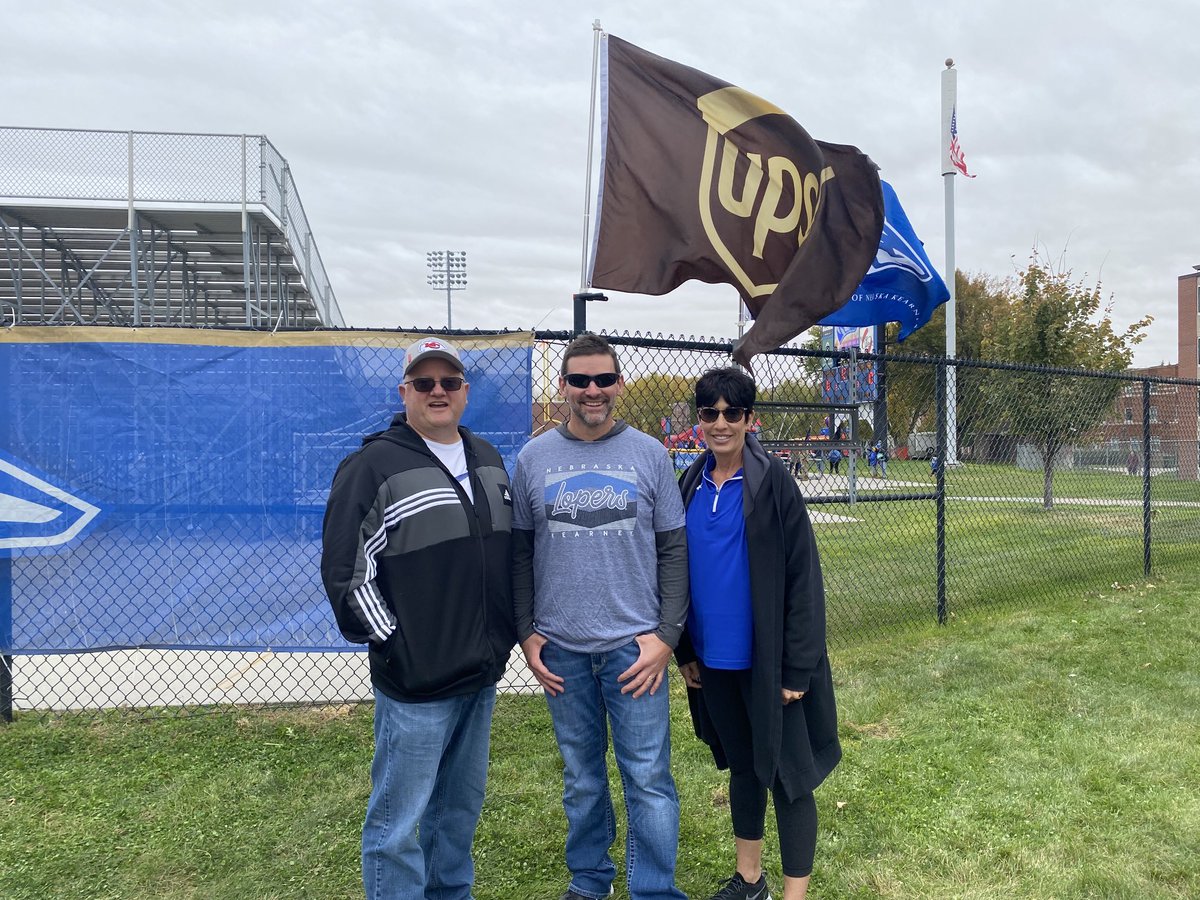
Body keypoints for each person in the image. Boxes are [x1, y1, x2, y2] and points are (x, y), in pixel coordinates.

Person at [321, 336, 516, 900]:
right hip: (415, 686)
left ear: (465, 392)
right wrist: (396, 647)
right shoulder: (371, 466)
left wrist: (500, 638)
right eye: (424, 383)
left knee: (457, 814)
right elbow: (346, 573)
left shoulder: (488, 459)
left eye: (449, 382)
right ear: (403, 390)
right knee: (397, 826)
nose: (438, 392)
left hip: (480, 676)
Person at [512, 333, 689, 900]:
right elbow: (518, 552)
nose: (593, 391)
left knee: (648, 780)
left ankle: (653, 890)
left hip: (634, 652)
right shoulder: (533, 457)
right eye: (580, 380)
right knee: (582, 781)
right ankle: (589, 884)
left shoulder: (650, 455)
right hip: (562, 650)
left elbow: (674, 551)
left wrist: (666, 636)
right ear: (562, 386)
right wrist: (525, 632)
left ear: (618, 383)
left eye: (603, 379)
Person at [676, 367, 840, 900]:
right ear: (699, 419)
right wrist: (684, 651)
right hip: (713, 662)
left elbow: (803, 579)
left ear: (750, 419)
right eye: (709, 413)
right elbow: (674, 570)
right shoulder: (689, 483)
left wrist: (797, 669)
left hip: (769, 663)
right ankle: (750, 882)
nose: (720, 423)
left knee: (790, 777)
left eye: (732, 413)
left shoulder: (774, 484)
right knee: (744, 768)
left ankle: (794, 895)